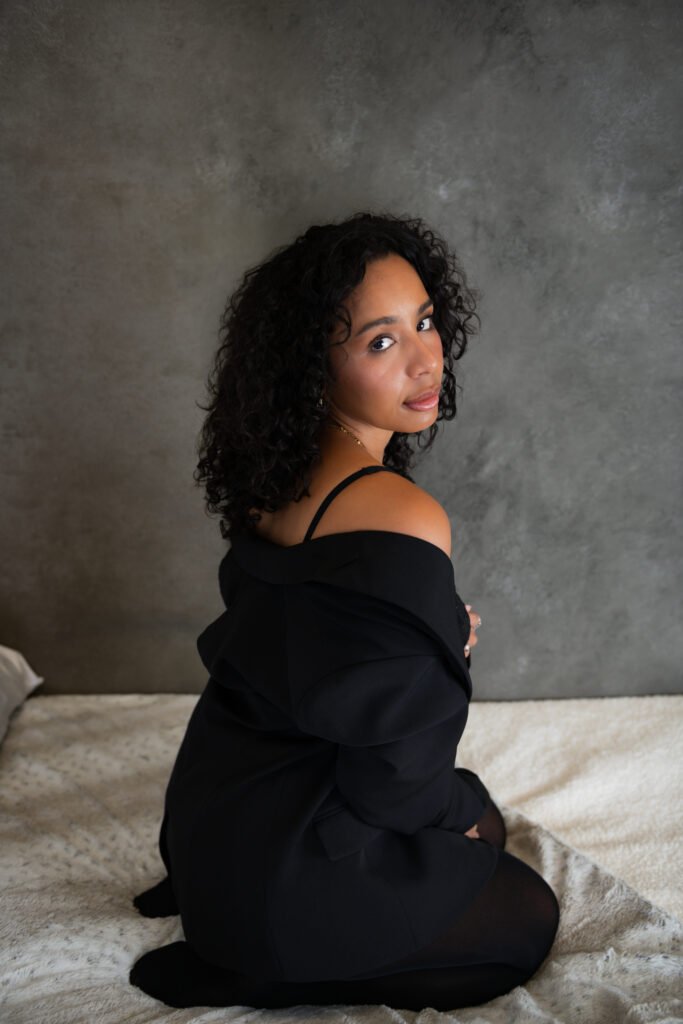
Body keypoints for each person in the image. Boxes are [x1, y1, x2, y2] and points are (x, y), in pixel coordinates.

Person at [129, 211, 560, 1011]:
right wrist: (441, 669)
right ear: (311, 366)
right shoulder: (400, 512)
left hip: (221, 817)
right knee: (527, 916)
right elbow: (394, 772)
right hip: (293, 863)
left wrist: (427, 638)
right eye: (380, 342)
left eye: (425, 321)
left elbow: (304, 647)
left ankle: (271, 929)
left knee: (483, 822)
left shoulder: (273, 484)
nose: (427, 359)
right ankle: (274, 970)